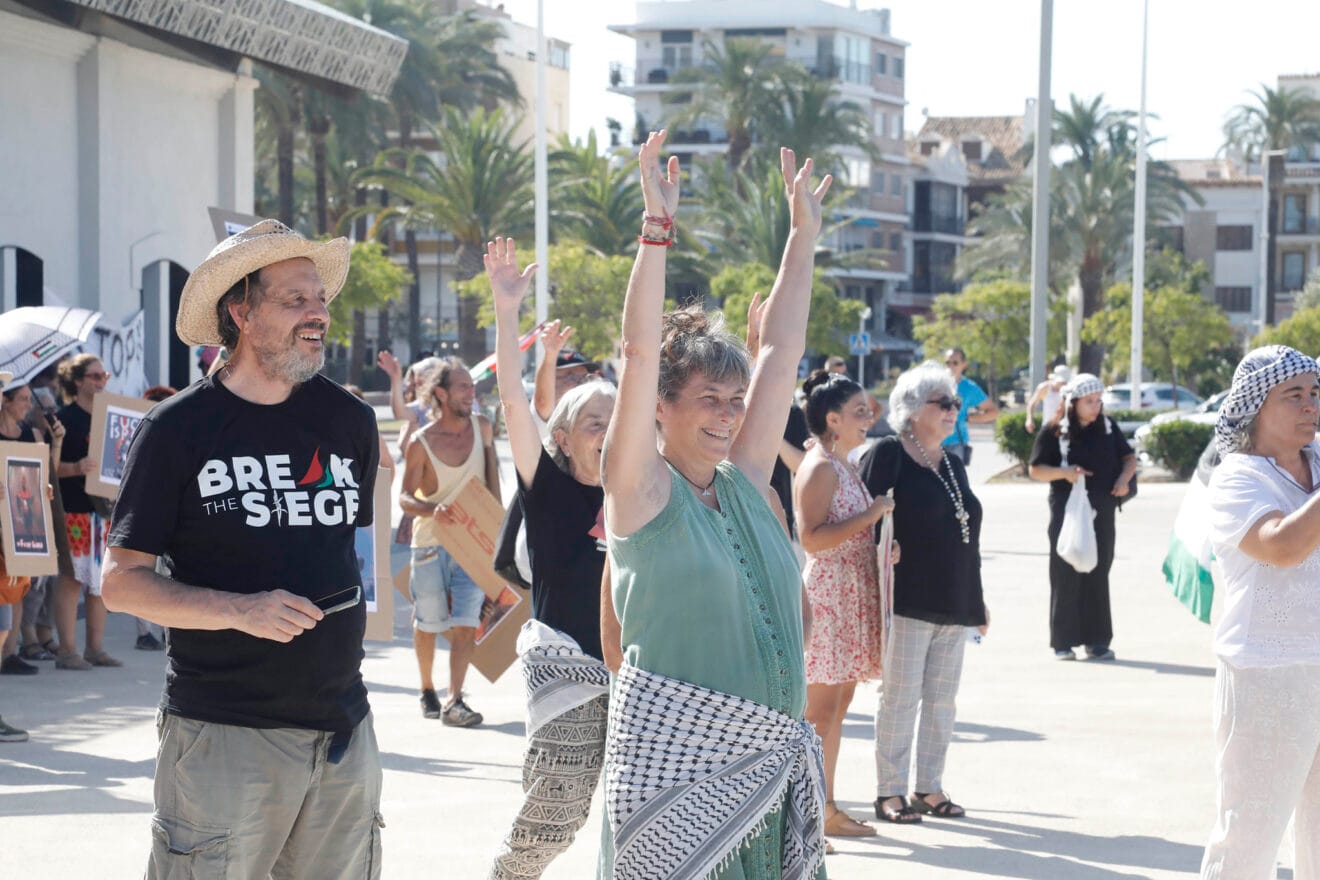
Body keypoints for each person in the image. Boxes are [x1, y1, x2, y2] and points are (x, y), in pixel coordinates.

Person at [100, 218, 383, 878]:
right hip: (223, 739)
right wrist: (241, 610)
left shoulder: (350, 421)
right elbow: (122, 583)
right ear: (241, 311)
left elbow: (341, 550)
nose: (318, 316)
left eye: (320, 300)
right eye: (295, 301)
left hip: (344, 732)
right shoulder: (178, 430)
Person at [598, 131, 830, 879]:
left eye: (736, 402)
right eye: (709, 400)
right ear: (660, 409)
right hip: (679, 787)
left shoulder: (747, 483)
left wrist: (802, 239)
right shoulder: (641, 491)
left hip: (767, 785)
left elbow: (781, 354)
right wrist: (655, 231)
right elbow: (638, 352)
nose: (729, 415)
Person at [484, 237, 616, 879]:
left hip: (637, 672)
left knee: (642, 813)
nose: (610, 433)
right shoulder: (550, 485)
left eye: (620, 421)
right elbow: (512, 398)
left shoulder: (644, 493)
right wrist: (508, 314)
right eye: (596, 422)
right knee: (554, 817)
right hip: (566, 670)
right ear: (562, 437)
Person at [1200, 345, 1320, 878]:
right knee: (1250, 835)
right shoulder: (1237, 477)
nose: (1310, 405)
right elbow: (1281, 547)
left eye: (1314, 393)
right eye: (1293, 395)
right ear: (1254, 408)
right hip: (1266, 676)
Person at [858, 361, 988, 824]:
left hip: (954, 600)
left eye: (955, 403)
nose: (954, 410)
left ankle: (928, 787)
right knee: (900, 696)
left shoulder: (952, 462)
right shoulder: (889, 453)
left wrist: (977, 602)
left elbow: (966, 534)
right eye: (944, 403)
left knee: (941, 700)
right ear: (913, 409)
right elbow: (861, 521)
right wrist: (880, 547)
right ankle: (888, 791)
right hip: (907, 599)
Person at [794, 369, 891, 840]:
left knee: (838, 707)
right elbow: (811, 539)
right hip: (829, 595)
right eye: (859, 412)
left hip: (850, 591)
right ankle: (811, 811)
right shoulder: (820, 467)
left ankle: (825, 805)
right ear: (832, 419)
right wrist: (870, 516)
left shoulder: (843, 463)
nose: (868, 417)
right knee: (819, 713)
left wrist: (879, 543)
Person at [399, 357, 500, 726]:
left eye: (471, 387)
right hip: (429, 545)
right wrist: (430, 508)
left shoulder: (483, 427)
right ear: (441, 394)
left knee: (465, 623)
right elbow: (405, 498)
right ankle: (427, 688)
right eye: (463, 387)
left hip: (471, 544)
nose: (470, 393)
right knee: (427, 623)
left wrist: (497, 530)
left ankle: (455, 700)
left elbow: (493, 484)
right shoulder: (420, 442)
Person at [1028, 373, 1135, 661]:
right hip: (1068, 513)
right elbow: (1036, 469)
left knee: (1098, 572)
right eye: (1089, 401)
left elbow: (1129, 458)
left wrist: (1124, 480)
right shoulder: (1055, 431)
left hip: (1103, 512)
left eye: (1099, 401)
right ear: (1072, 403)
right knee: (1066, 573)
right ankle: (1063, 642)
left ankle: (1097, 641)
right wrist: (1065, 473)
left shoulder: (1109, 428)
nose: (1096, 407)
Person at [53, 353, 120, 669]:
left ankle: (95, 649)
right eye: (94, 376)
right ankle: (68, 651)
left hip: (103, 512)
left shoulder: (109, 418)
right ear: (78, 381)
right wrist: (76, 467)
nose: (101, 381)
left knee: (100, 581)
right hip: (74, 510)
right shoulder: (64, 419)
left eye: (103, 375)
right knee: (72, 579)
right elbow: (48, 469)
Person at [0, 379, 64, 675]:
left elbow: (44, 475)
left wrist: (43, 490)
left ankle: (9, 654)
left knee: (15, 592)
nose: (28, 404)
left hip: (19, 524)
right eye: (22, 398)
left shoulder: (33, 433)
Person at [940, 347, 998, 465]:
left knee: (954, 482)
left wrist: (969, 418)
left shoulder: (969, 387)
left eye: (955, 363)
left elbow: (993, 412)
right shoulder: (935, 384)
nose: (950, 366)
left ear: (964, 364)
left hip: (956, 444)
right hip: (933, 442)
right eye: (947, 363)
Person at [1025, 365, 1071, 434]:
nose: (1064, 384)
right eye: (1062, 382)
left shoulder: (1069, 389)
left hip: (1065, 429)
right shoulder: (1045, 388)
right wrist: (1029, 419)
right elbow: (1032, 404)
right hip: (1048, 428)